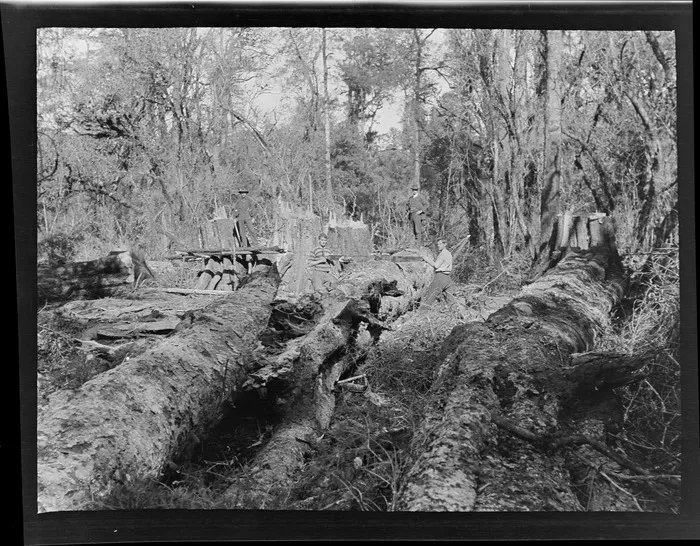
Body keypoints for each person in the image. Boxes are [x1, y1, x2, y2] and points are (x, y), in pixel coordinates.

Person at [420, 238, 456, 309]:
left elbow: (436, 265)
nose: (438, 246)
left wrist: (426, 259)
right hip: (447, 278)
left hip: (440, 277)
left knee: (430, 297)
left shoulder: (442, 254)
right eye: (437, 244)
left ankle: (421, 313)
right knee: (450, 300)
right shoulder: (449, 253)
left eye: (440, 244)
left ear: (445, 244)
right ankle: (455, 314)